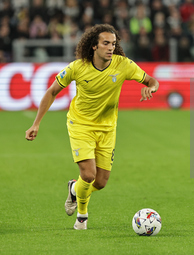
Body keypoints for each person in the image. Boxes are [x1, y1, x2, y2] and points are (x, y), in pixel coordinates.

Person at [25, 24, 159, 230]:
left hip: (107, 128)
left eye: (113, 44)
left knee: (101, 182)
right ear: (94, 46)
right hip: (80, 125)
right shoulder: (77, 67)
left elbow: (152, 80)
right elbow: (52, 91)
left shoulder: (123, 65)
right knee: (88, 174)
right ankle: (82, 217)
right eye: (105, 43)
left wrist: (151, 88)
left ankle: (74, 189)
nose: (110, 47)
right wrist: (36, 123)